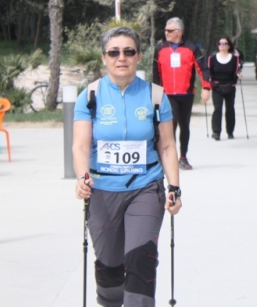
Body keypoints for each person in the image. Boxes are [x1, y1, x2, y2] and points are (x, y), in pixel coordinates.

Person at [73, 26, 182, 307]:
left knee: (140, 261)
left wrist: (174, 188)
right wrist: (82, 177)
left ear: (138, 56)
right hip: (102, 191)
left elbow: (168, 146)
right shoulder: (89, 97)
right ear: (104, 57)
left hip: (145, 187)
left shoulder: (156, 96)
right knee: (109, 266)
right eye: (114, 52)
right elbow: (81, 146)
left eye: (129, 51)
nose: (121, 57)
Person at [153, 17, 210, 170]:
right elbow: (156, 73)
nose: (166, 33)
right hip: (167, 94)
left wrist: (206, 88)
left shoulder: (191, 47)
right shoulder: (160, 48)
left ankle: (183, 157)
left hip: (186, 94)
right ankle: (165, 157)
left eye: (170, 31)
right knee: (171, 123)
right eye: (165, 30)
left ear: (179, 32)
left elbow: (203, 68)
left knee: (184, 125)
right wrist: (155, 93)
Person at [203, 35, 242, 140]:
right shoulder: (212, 59)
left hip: (230, 86)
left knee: (230, 109)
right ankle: (216, 132)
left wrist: (238, 75)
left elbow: (236, 72)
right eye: (220, 43)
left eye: (224, 43)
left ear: (229, 46)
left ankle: (230, 131)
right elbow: (208, 72)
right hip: (217, 87)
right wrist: (206, 84)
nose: (222, 45)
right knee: (218, 108)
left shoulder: (235, 59)